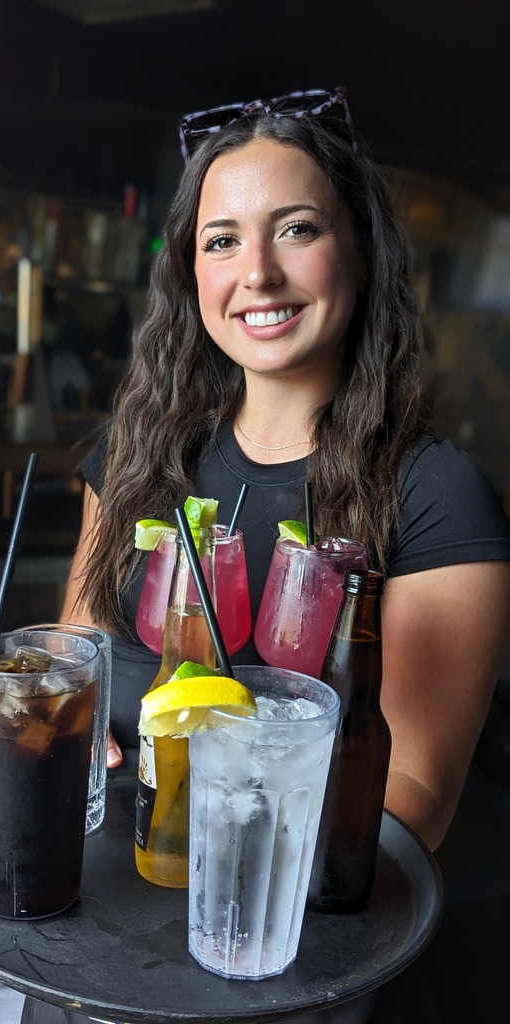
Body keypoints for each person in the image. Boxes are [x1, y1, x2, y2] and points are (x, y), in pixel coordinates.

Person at [61, 88, 510, 855]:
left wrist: (219, 800)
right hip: (102, 906)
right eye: (222, 241)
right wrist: (73, 728)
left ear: (361, 254)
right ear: (189, 272)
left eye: (296, 230)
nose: (259, 273)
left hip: (289, 938)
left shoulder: (434, 497)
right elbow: (77, 656)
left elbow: (414, 799)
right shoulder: (135, 455)